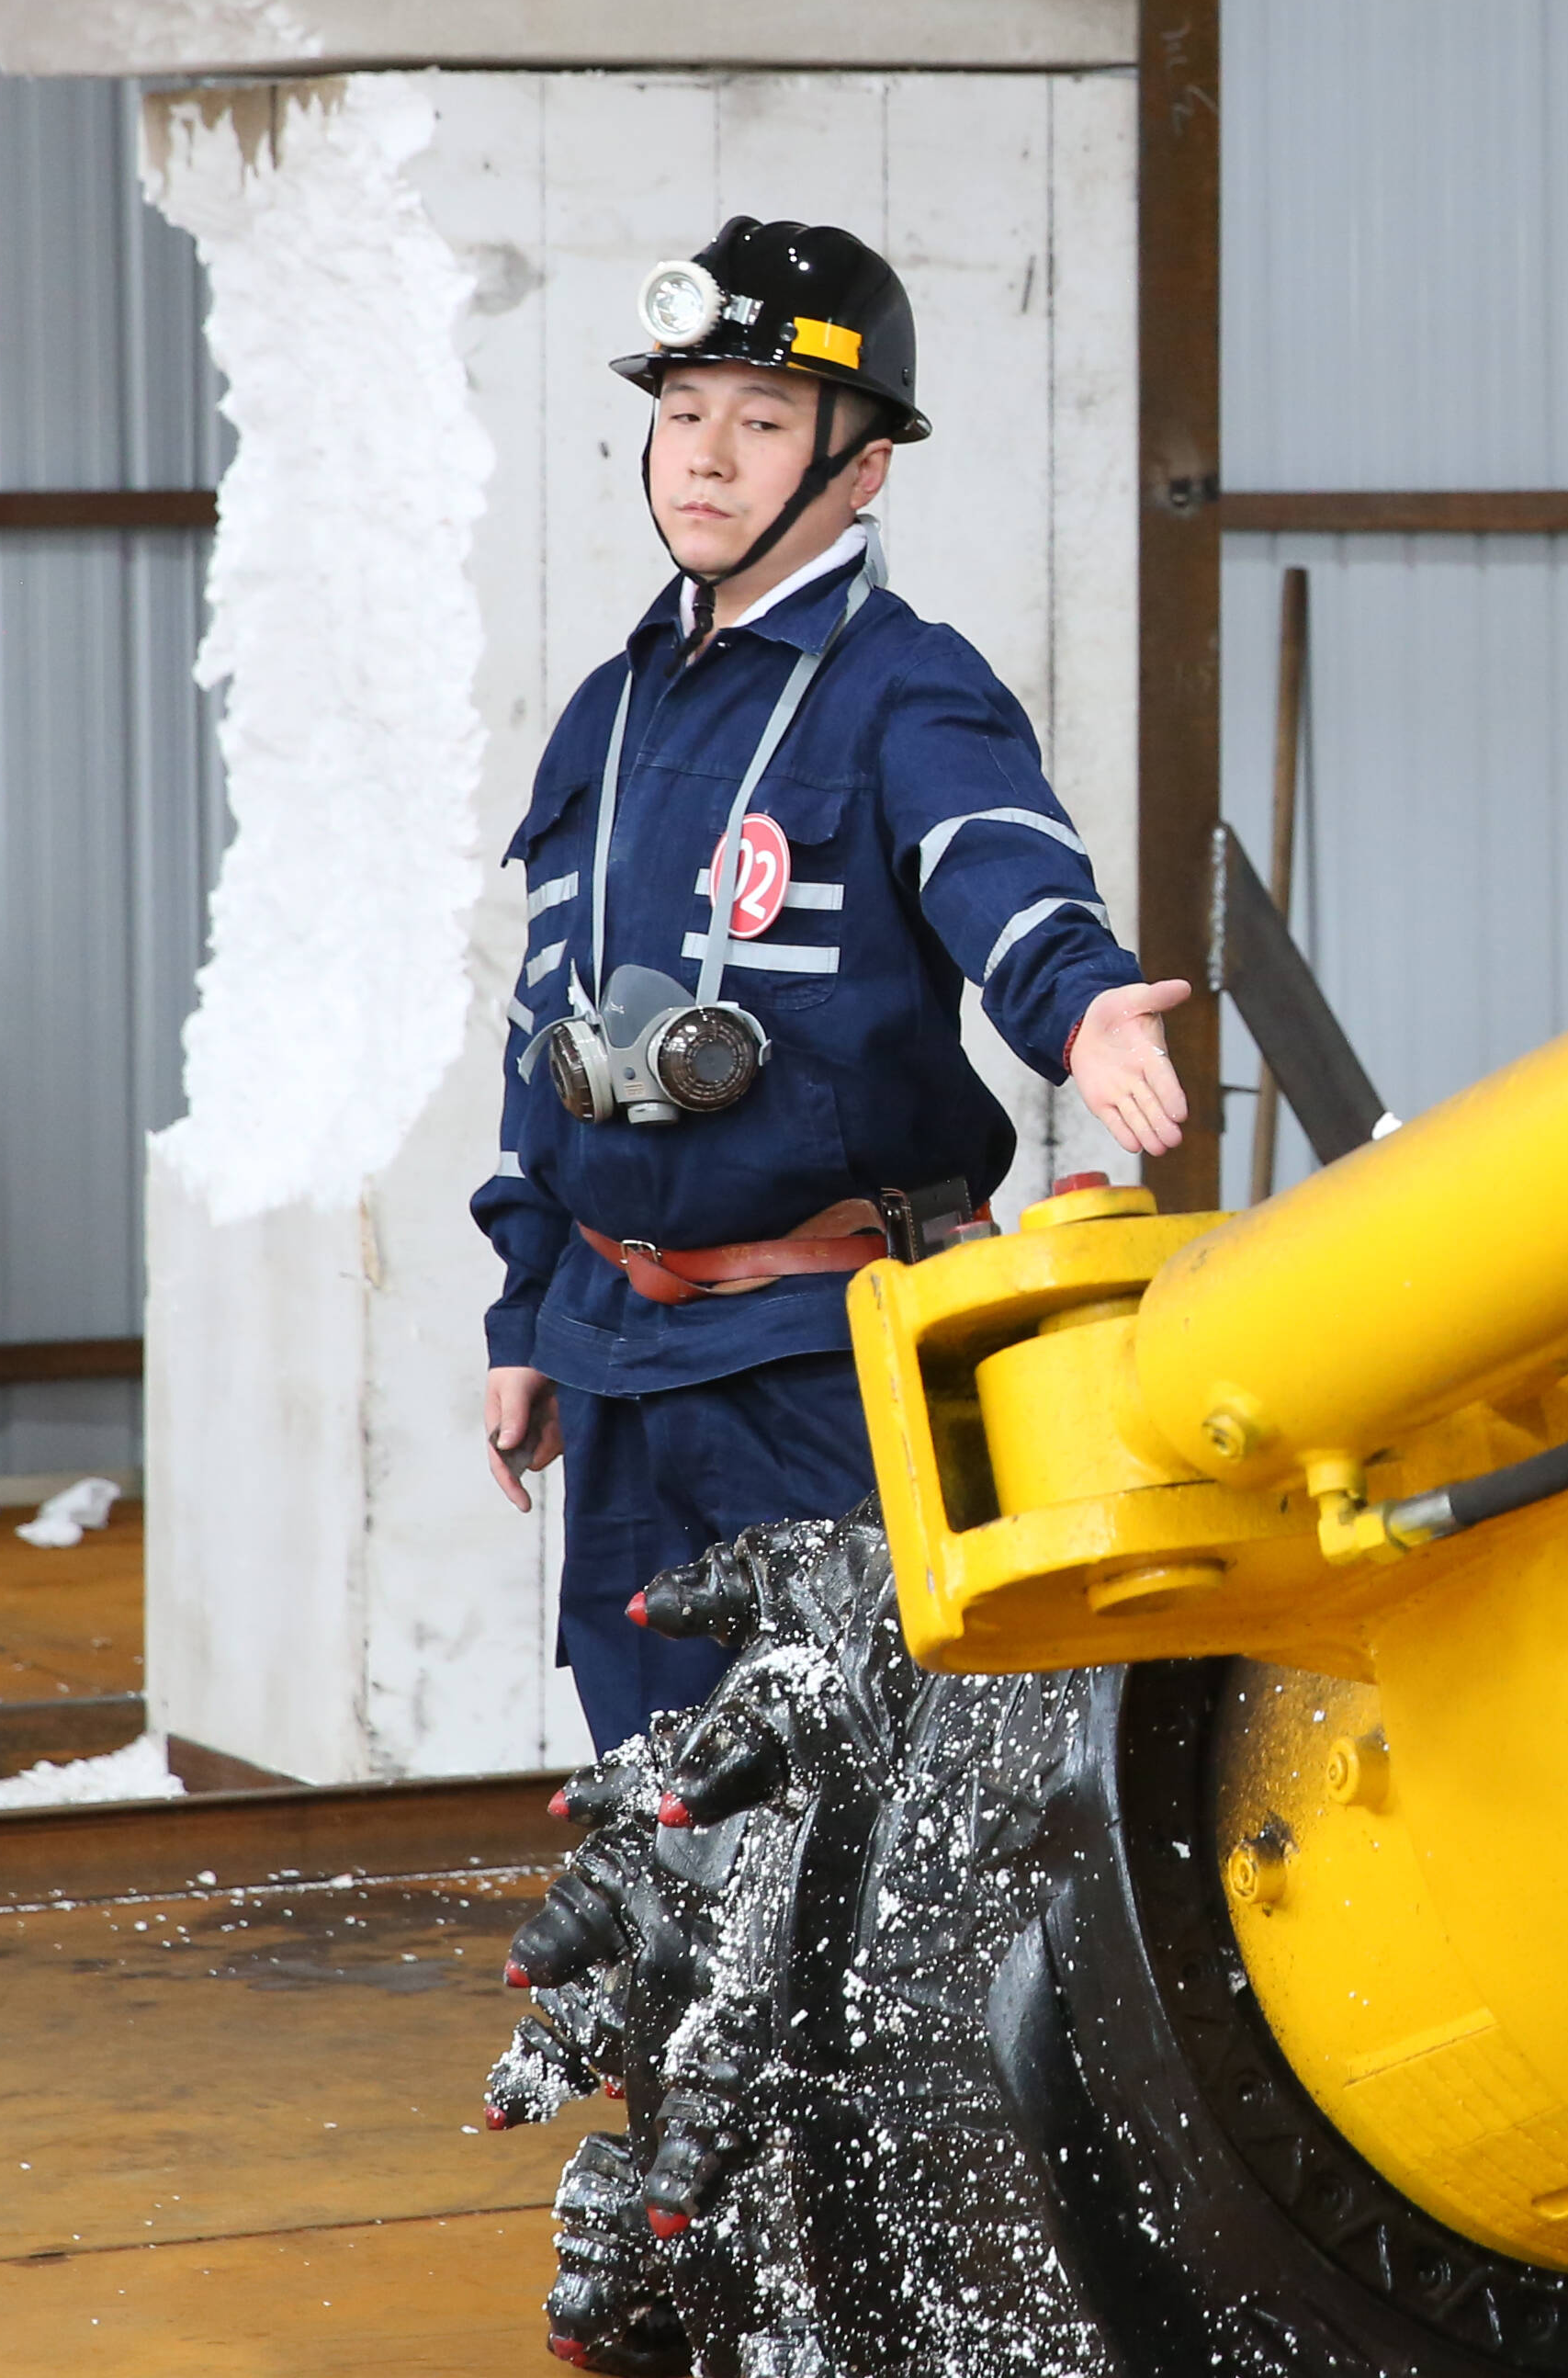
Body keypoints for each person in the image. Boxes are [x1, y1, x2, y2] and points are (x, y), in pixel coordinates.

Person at [469, 215, 1189, 1751]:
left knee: (852, 1786)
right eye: (682, 411)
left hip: (817, 1361)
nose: (706, 456)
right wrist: (525, 1315)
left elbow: (997, 861)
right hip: (615, 1349)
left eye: (763, 420)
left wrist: (1080, 1002)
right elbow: (546, 1031)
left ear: (862, 471)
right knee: (658, 1791)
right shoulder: (603, 714)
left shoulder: (906, 687)